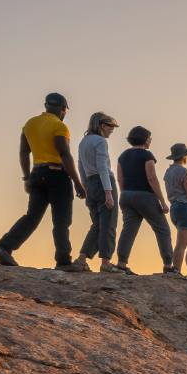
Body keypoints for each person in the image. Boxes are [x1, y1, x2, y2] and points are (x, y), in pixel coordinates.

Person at [0, 92, 87, 271]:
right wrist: (77, 182)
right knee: (61, 221)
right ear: (63, 108)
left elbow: (23, 152)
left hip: (37, 173)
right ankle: (63, 261)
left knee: (32, 217)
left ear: (46, 106)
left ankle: (4, 246)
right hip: (57, 175)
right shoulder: (59, 126)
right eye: (65, 110)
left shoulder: (30, 124)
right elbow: (64, 154)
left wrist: (27, 177)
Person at [114, 126, 175, 275]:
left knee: (128, 230)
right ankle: (168, 265)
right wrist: (162, 201)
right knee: (162, 229)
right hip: (145, 196)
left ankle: (121, 263)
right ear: (145, 139)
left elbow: (120, 179)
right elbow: (152, 178)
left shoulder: (123, 156)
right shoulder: (147, 155)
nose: (150, 140)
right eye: (149, 138)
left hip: (126, 195)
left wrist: (125, 194)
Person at [74, 111, 122, 272]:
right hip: (103, 183)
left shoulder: (83, 142)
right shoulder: (100, 141)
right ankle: (106, 262)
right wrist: (108, 192)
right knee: (109, 223)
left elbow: (80, 165)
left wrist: (84, 186)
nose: (112, 129)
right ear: (101, 125)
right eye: (110, 126)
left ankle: (82, 258)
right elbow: (102, 167)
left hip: (90, 183)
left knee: (97, 224)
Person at [163, 143, 187, 280]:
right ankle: (176, 270)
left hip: (174, 207)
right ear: (184, 156)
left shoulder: (168, 172)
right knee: (182, 243)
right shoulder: (183, 171)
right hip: (185, 207)